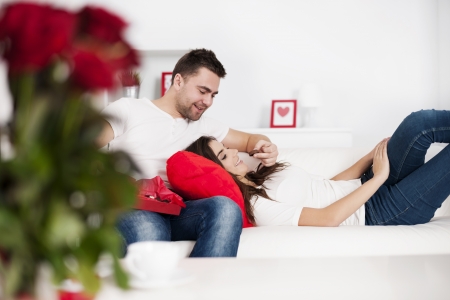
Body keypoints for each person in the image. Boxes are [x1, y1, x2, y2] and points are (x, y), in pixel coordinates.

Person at [96, 48, 279, 257]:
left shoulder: (204, 125)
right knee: (150, 229)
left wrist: (266, 145)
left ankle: (206, 287)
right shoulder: (128, 109)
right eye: (203, 91)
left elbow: (249, 140)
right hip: (134, 205)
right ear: (179, 81)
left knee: (226, 209)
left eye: (213, 95)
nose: (208, 101)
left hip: (179, 209)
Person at [185, 109, 450, 227]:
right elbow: (328, 219)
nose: (233, 151)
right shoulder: (258, 207)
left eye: (225, 146)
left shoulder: (259, 173)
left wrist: (371, 157)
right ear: (215, 172)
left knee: (417, 124)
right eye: (223, 154)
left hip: (369, 183)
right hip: (379, 212)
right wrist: (379, 178)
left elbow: (329, 185)